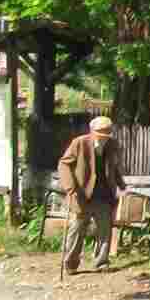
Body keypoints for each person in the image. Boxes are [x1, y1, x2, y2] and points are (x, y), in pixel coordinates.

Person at [57, 115, 125, 278]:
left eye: (106, 135)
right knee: (77, 228)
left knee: (105, 230)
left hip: (104, 194)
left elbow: (114, 167)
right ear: (92, 132)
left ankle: (101, 263)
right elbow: (64, 164)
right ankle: (70, 263)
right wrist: (70, 187)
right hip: (82, 193)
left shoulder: (112, 145)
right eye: (100, 135)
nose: (103, 138)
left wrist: (121, 185)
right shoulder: (79, 143)